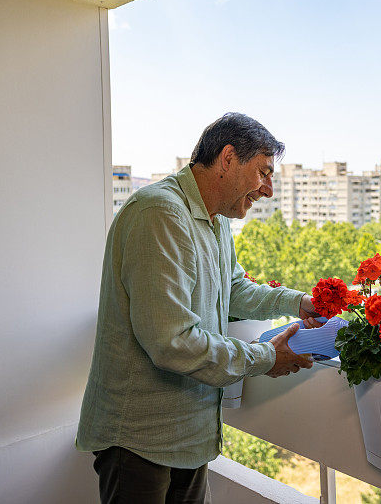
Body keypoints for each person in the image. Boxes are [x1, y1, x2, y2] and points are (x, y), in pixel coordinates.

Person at [77, 113, 321, 504]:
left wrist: (297, 302)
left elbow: (234, 288)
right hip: (140, 441)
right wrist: (264, 357)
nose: (268, 190)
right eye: (263, 172)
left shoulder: (215, 218)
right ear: (227, 159)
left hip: (189, 436)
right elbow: (171, 341)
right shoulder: (159, 213)